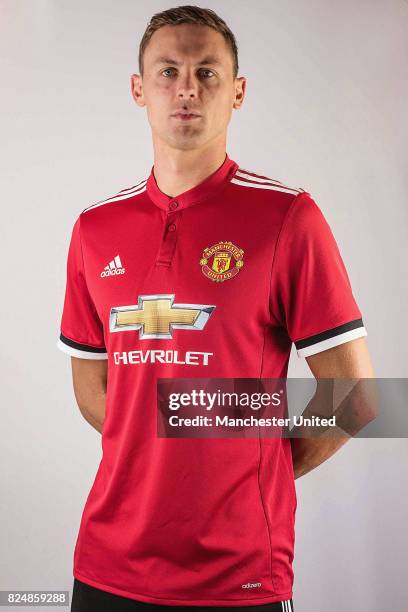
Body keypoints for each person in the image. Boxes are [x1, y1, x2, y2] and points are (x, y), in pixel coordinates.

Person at [57, 5, 375, 611]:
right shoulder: (94, 229)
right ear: (138, 89)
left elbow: (356, 396)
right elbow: (93, 387)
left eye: (207, 72)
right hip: (105, 566)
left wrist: (256, 462)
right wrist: (161, 449)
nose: (186, 88)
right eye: (167, 70)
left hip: (237, 576)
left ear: (237, 92)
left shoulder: (288, 218)